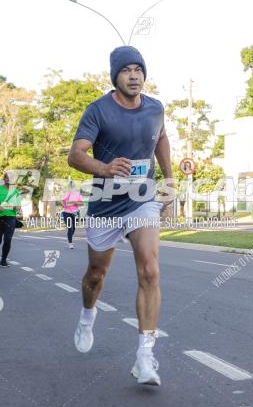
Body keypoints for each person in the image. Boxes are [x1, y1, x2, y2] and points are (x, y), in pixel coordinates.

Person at [67, 45, 174, 386]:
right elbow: (75, 155)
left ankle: (144, 356)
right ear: (115, 75)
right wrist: (105, 167)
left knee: (150, 269)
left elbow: (161, 139)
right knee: (97, 275)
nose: (134, 75)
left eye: (139, 70)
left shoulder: (155, 108)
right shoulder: (98, 111)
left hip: (142, 199)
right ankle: (87, 314)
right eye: (127, 70)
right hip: (105, 201)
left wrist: (169, 181)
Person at [0, 172, 22, 266]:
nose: (9, 179)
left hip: (10, 218)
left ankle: (3, 260)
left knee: (8, 239)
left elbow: (18, 207)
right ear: (4, 179)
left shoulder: (16, 192)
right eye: (7, 178)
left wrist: (16, 207)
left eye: (11, 178)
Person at [61, 181, 84, 249]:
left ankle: (69, 237)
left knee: (73, 228)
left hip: (75, 213)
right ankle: (70, 243)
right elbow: (62, 201)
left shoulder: (78, 194)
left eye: (72, 187)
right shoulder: (66, 194)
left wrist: (75, 202)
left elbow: (82, 203)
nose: (71, 189)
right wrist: (64, 205)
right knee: (70, 228)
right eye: (70, 187)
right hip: (66, 213)